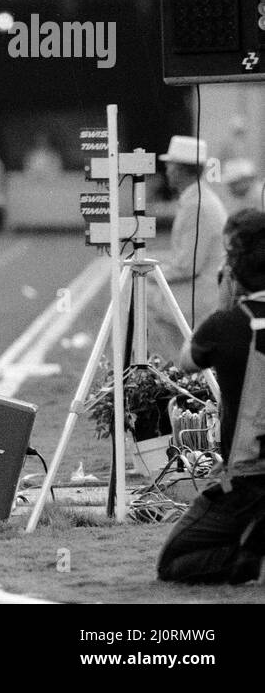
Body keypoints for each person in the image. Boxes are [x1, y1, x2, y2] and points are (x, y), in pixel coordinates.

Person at [159, 211, 265, 584]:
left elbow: (187, 361)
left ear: (234, 270)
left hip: (248, 479)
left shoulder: (225, 325)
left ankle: (249, 556)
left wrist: (225, 302)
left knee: (173, 563)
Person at [148, 135, 229, 361]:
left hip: (202, 295)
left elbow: (187, 266)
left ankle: (182, 363)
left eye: (170, 165)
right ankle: (183, 361)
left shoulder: (197, 205)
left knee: (138, 296)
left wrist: (151, 275)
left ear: (181, 170)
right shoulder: (198, 199)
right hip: (204, 289)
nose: (166, 170)